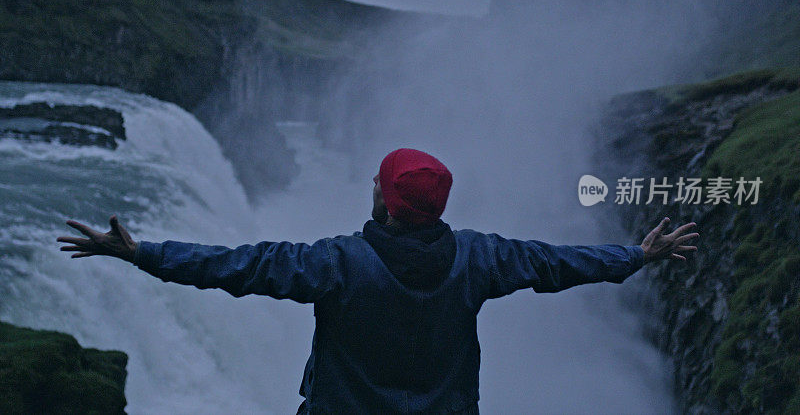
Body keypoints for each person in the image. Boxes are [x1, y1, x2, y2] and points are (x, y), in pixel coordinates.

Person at [57, 148, 699, 414]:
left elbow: (239, 267)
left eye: (378, 181)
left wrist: (144, 253)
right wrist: (634, 256)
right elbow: (554, 263)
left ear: (389, 202)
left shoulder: (334, 263)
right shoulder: (480, 259)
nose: (371, 185)